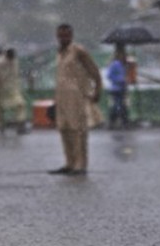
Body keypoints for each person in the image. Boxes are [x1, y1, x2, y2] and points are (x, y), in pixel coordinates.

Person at [48, 23, 103, 176]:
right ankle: (69, 163)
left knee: (78, 130)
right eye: (60, 36)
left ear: (71, 36)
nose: (63, 38)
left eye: (66, 35)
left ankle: (80, 165)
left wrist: (98, 90)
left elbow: (94, 72)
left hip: (77, 97)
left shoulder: (79, 51)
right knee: (64, 130)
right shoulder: (59, 53)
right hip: (62, 98)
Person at [0, 48, 28, 134]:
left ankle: (20, 125)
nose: (13, 58)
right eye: (11, 56)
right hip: (1, 90)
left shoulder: (15, 61)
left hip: (13, 89)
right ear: (7, 55)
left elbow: (16, 75)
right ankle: (0, 126)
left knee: (21, 104)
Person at [106, 47, 129, 130]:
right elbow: (109, 75)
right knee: (118, 105)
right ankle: (117, 122)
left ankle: (117, 122)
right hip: (116, 88)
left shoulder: (120, 64)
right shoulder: (115, 64)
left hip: (120, 88)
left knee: (120, 105)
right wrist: (119, 80)